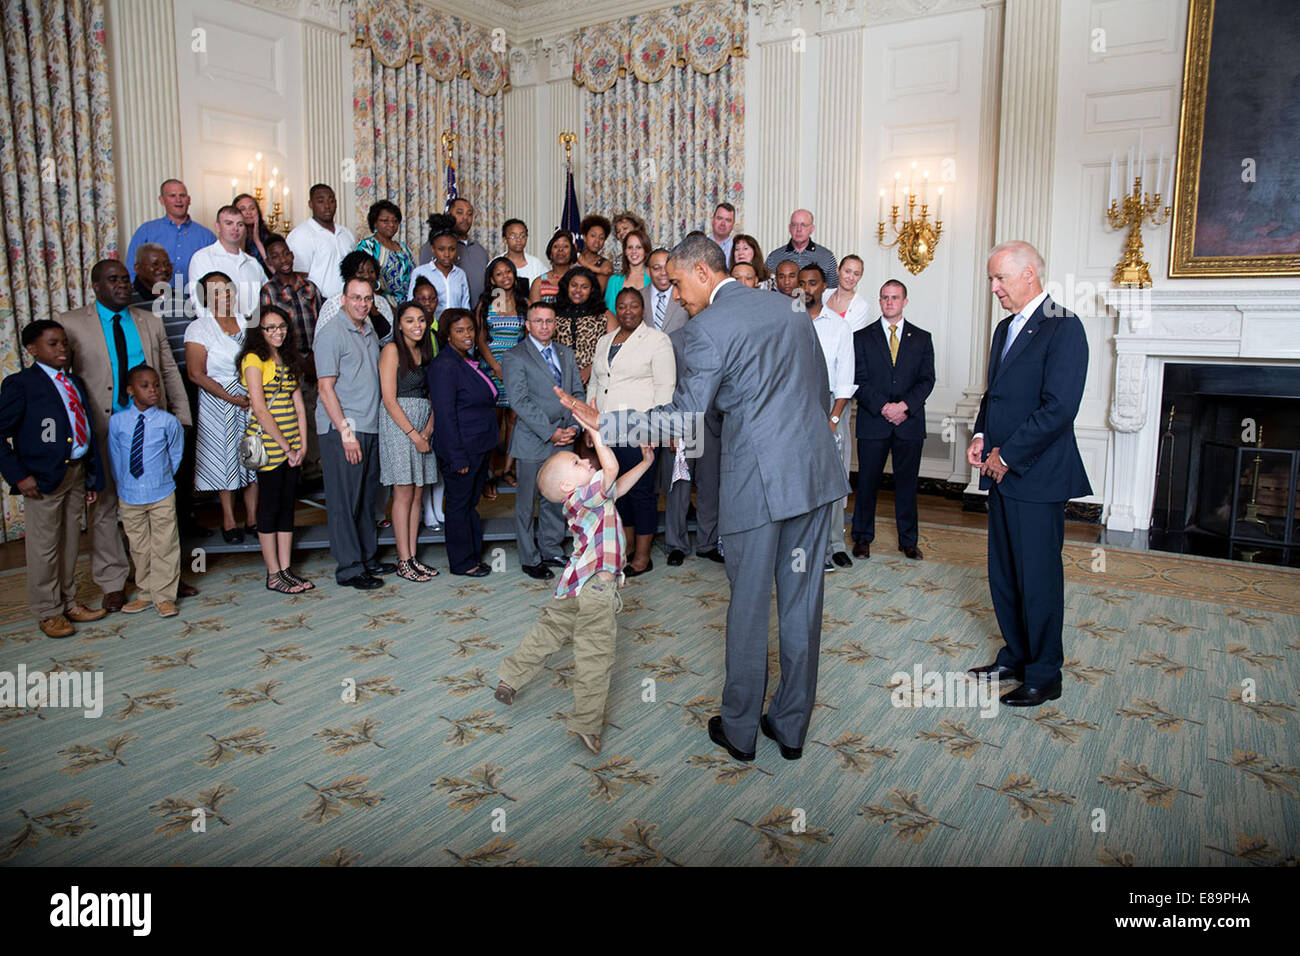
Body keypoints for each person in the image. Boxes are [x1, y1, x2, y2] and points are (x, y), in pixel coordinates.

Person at [557, 235, 847, 763]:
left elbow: (685, 419)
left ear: (703, 273)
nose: (672, 290)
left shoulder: (707, 328)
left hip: (757, 483)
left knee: (751, 605)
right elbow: (819, 390)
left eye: (677, 278)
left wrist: (611, 421)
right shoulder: (789, 308)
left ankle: (739, 731)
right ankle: (790, 727)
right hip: (812, 473)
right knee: (803, 606)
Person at [965, 241, 1091, 707]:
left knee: (1038, 577)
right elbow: (994, 395)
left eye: (999, 278)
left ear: (1029, 274)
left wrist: (1007, 455)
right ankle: (1015, 655)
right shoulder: (1004, 329)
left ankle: (1044, 672)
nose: (994, 288)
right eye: (991, 279)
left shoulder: (1065, 327)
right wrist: (980, 436)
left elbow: (1059, 408)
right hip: (1000, 471)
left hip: (1036, 475)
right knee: (1004, 572)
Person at [492, 418, 657, 756]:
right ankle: (585, 723)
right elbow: (610, 469)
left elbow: (619, 485)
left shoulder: (589, 496)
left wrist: (644, 463)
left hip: (575, 584)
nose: (587, 461)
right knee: (595, 656)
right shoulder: (584, 496)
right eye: (578, 462)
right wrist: (596, 431)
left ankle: (510, 678)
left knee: (549, 630)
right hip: (597, 589)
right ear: (568, 486)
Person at [60, 259, 192, 612]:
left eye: (124, 279)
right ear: (95, 285)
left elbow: (167, 370)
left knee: (162, 504)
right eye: (112, 279)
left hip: (152, 426)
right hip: (103, 427)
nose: (122, 285)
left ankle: (166, 580)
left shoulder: (148, 321)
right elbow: (62, 381)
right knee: (105, 505)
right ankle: (114, 580)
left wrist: (180, 415)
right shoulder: (71, 324)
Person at [0, 321, 106, 638]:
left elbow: (82, 427)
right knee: (44, 547)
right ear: (32, 349)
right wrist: (19, 476)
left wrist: (90, 477)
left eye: (64, 343)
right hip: (41, 478)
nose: (62, 348)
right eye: (52, 343)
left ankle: (68, 601)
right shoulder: (21, 384)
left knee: (71, 542)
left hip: (74, 472)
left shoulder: (73, 381)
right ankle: (48, 611)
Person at [314, 276, 395, 589]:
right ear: (343, 299)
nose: (362, 303)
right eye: (356, 298)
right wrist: (345, 432)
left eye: (367, 298)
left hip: (370, 424)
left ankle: (366, 557)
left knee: (365, 499)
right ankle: (349, 568)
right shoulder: (331, 334)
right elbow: (325, 388)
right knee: (344, 501)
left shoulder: (369, 329)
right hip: (344, 429)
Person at [590, 287, 675, 575]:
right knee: (617, 491)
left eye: (634, 306)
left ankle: (642, 555)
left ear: (643, 309)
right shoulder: (605, 340)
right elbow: (596, 382)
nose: (627, 311)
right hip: (607, 427)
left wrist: (656, 428)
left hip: (639, 427)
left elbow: (665, 388)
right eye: (622, 306)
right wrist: (593, 423)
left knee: (640, 492)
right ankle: (625, 549)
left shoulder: (657, 340)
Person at [852, 279, 934, 562]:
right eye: (885, 297)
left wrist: (904, 407)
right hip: (874, 421)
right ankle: (862, 538)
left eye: (895, 297)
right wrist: (884, 407)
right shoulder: (861, 337)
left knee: (907, 485)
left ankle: (908, 541)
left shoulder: (922, 338)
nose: (890, 302)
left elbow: (927, 380)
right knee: (866, 484)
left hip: (909, 424)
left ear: (905, 302)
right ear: (880, 301)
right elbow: (858, 380)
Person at [501, 302, 584, 580]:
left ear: (555, 323)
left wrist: (574, 426)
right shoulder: (515, 356)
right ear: (527, 324)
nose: (544, 326)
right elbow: (520, 401)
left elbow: (577, 393)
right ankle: (530, 557)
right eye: (538, 321)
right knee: (527, 501)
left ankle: (551, 548)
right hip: (533, 439)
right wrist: (550, 432)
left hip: (565, 438)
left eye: (549, 321)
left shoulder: (566, 353)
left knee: (557, 498)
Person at [238, 306, 313, 594]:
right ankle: (273, 574)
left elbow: (298, 404)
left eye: (281, 326)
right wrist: (285, 446)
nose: (277, 332)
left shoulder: (288, 357)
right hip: (269, 448)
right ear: (259, 330)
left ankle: (285, 568)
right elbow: (258, 407)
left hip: (293, 444)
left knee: (287, 507)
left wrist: (302, 444)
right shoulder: (253, 359)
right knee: (268, 508)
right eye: (270, 328)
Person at [185, 271, 257, 542]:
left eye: (227, 289)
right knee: (224, 460)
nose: (224, 295)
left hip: (251, 397)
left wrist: (251, 395)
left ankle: (252, 518)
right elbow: (196, 374)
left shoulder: (248, 321)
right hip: (219, 401)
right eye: (216, 292)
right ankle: (229, 520)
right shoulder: (199, 328)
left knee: (253, 456)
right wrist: (231, 398)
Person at [108, 364, 184, 617]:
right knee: (139, 546)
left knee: (165, 544)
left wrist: (161, 477)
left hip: (161, 492)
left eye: (156, 385)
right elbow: (115, 456)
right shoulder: (117, 422)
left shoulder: (168, 422)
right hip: (130, 495)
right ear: (130, 390)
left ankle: (164, 597)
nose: (152, 390)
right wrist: (124, 485)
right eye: (145, 386)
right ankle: (145, 593)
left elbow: (175, 454)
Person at [429, 309, 498, 577]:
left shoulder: (464, 361)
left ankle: (471, 556)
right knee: (459, 505)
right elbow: (445, 416)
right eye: (460, 331)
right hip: (462, 450)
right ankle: (461, 563)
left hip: (478, 446)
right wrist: (456, 457)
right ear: (447, 336)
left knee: (468, 504)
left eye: (470, 329)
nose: (467, 335)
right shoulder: (445, 366)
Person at [797, 265, 857, 572]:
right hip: (794, 405)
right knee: (799, 478)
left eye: (813, 283)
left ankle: (835, 545)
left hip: (831, 405)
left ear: (824, 288)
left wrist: (833, 419)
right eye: (802, 283)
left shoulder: (838, 327)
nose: (807, 288)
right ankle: (803, 546)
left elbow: (846, 377)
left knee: (831, 478)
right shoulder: (788, 321)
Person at [378, 301, 439, 581]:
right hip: (399, 426)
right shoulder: (391, 350)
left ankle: (412, 557)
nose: (417, 326)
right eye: (410, 320)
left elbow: (430, 395)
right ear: (399, 323)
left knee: (417, 493)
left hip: (422, 425)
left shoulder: (424, 350)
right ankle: (403, 560)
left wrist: (427, 429)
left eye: (421, 320)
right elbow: (389, 400)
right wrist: (414, 435)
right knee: (403, 492)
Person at [475, 257, 530, 493]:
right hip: (491, 370)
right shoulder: (486, 303)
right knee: (493, 424)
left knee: (515, 420)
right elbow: (479, 338)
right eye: (499, 273)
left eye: (509, 272)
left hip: (517, 370)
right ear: (491, 279)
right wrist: (495, 367)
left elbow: (528, 340)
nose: (505, 276)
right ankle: (488, 474)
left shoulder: (522, 302)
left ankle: (508, 469)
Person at [125, 179, 216, 287]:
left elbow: (216, 274)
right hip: (153, 300)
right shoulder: (146, 232)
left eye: (182, 195)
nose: (179, 200)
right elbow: (131, 270)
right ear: (162, 200)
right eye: (172, 196)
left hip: (193, 300)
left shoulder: (207, 236)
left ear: (189, 200)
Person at [187, 205, 268, 320]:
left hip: (254, 332)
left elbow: (267, 298)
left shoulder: (252, 263)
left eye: (240, 224)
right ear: (217, 227)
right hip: (220, 332)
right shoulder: (202, 258)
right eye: (229, 223)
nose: (235, 228)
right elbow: (199, 303)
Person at [286, 184, 356, 299]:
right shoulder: (300, 235)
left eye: (331, 201)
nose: (327, 206)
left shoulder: (346, 234)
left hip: (349, 303)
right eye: (321, 201)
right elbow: (298, 276)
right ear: (310, 204)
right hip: (318, 303)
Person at [554, 266, 616, 387]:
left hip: (595, 380)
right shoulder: (552, 313)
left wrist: (590, 369)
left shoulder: (604, 314)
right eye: (574, 285)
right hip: (558, 380)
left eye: (584, 287)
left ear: (592, 290)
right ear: (566, 286)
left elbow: (615, 350)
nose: (578, 290)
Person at [315, 250, 395, 343]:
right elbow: (322, 340)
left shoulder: (381, 302)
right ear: (349, 276)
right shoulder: (334, 303)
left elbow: (390, 338)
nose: (367, 276)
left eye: (371, 271)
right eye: (361, 272)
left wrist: (374, 311)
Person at [356, 199, 415, 310]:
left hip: (408, 305)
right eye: (385, 221)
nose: (391, 224)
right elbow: (363, 281)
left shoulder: (404, 248)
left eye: (395, 221)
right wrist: (387, 307)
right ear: (375, 223)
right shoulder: (367, 246)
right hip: (381, 305)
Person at [407, 214, 469, 319]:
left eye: (452, 249)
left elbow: (465, 307)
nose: (447, 254)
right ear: (432, 248)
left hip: (454, 331)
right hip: (430, 329)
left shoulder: (460, 274)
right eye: (441, 249)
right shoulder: (420, 272)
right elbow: (411, 306)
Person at [765, 209, 838, 287]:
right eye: (794, 225)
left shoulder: (827, 257)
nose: (798, 229)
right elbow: (766, 289)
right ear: (789, 228)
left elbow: (833, 290)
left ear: (812, 229)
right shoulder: (774, 257)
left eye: (803, 225)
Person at [449, 198, 490, 305]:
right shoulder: (437, 247)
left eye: (469, 214)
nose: (465, 218)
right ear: (448, 214)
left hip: (477, 314)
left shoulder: (480, 251)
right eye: (459, 212)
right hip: (449, 314)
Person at [603, 227, 652, 313]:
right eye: (630, 247)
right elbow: (609, 314)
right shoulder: (614, 281)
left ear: (646, 250)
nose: (634, 251)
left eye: (639, 247)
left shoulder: (653, 278)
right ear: (625, 251)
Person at [642, 248, 689, 335]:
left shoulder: (686, 296)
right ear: (648, 271)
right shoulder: (639, 297)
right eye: (656, 268)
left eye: (667, 267)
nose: (663, 273)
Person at [823, 254, 872, 332]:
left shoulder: (861, 306)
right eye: (847, 271)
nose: (851, 278)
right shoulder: (823, 295)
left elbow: (852, 338)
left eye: (856, 274)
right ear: (838, 270)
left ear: (860, 276)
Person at [528, 230, 575, 306]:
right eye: (556, 246)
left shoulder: (578, 279)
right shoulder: (539, 282)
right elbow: (534, 314)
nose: (560, 249)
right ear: (550, 254)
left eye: (565, 246)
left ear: (572, 252)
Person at [233, 193, 274, 277]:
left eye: (252, 208)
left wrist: (257, 240)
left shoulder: (270, 237)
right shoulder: (232, 238)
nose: (248, 212)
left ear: (258, 211)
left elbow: (275, 269)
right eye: (242, 209)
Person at [501, 219, 546, 289]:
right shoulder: (496, 263)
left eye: (522, 236)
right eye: (513, 236)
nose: (518, 240)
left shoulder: (536, 264)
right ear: (504, 239)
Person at [575, 214, 614, 291]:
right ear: (585, 237)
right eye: (593, 236)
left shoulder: (605, 265)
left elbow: (597, 293)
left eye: (601, 238)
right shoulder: (574, 258)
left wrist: (584, 264)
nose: (597, 241)